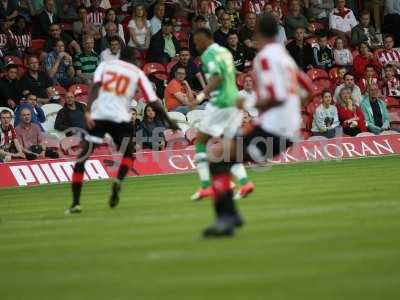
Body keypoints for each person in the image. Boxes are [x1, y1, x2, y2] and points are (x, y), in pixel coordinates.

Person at [202, 14, 313, 237]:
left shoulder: (265, 58)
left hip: (273, 128)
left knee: (214, 155)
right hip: (288, 128)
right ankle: (229, 216)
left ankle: (227, 218)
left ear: (258, 32)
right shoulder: (285, 56)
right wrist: (291, 115)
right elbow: (309, 89)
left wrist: (248, 102)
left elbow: (276, 96)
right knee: (222, 155)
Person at [66, 47, 178, 214]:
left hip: (99, 116)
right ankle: (118, 180)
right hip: (121, 119)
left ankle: (75, 203)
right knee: (128, 156)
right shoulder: (137, 73)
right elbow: (154, 102)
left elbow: (95, 87)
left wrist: (88, 111)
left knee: (82, 158)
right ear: (134, 59)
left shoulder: (105, 65)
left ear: (119, 56)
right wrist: (170, 122)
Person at [191, 28, 254, 204]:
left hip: (221, 103)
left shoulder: (208, 55)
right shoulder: (225, 51)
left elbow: (217, 77)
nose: (196, 45)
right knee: (229, 147)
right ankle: (244, 183)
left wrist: (201, 96)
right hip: (235, 101)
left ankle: (205, 186)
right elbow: (231, 73)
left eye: (198, 41)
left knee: (201, 141)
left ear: (206, 39)